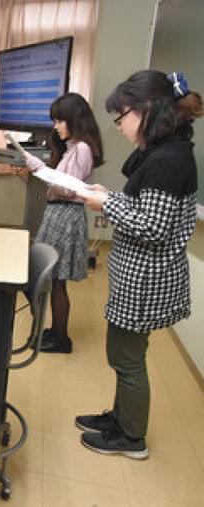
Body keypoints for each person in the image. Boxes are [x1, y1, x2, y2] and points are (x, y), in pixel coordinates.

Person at [79, 70, 201, 459]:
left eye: (121, 117)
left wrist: (105, 203)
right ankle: (121, 418)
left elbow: (152, 226)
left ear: (147, 110)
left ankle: (131, 438)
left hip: (146, 281)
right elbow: (146, 208)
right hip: (140, 276)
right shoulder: (165, 150)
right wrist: (109, 194)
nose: (117, 125)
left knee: (127, 359)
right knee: (125, 355)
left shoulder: (170, 159)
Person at [20, 93, 103, 353]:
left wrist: (39, 169)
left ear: (74, 120)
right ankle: (56, 332)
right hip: (59, 214)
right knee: (54, 278)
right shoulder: (71, 148)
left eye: (59, 121)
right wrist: (36, 171)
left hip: (66, 216)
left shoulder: (82, 149)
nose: (56, 126)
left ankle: (61, 338)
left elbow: (68, 189)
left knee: (57, 279)